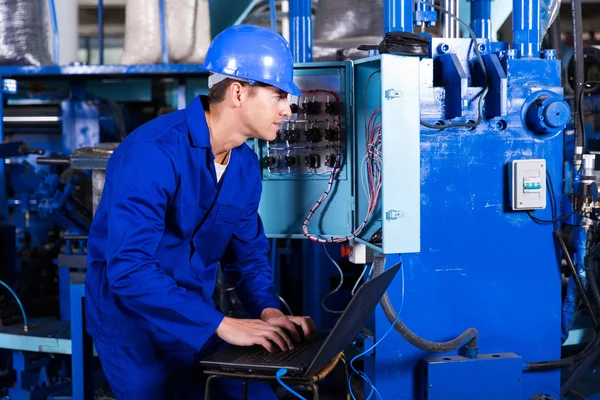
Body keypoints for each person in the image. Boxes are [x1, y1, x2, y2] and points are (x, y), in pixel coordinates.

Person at [85, 24, 317, 399]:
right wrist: (222, 324)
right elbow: (129, 269)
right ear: (239, 92)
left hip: (202, 321)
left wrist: (268, 312)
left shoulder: (244, 166)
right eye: (278, 96)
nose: (287, 110)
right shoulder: (153, 152)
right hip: (136, 329)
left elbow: (248, 258)